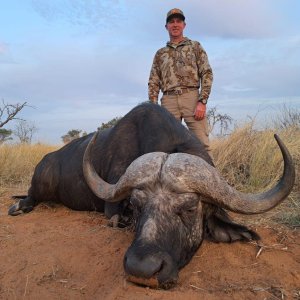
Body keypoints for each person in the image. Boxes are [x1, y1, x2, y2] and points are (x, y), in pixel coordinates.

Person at [148, 8, 213, 155]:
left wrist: (202, 102)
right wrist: (154, 109)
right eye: (171, 22)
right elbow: (153, 81)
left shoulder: (195, 46)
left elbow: (207, 73)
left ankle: (212, 178)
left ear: (184, 25)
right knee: (165, 148)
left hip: (191, 98)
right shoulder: (160, 54)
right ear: (166, 27)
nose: (175, 24)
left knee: (202, 145)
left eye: (178, 21)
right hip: (168, 101)